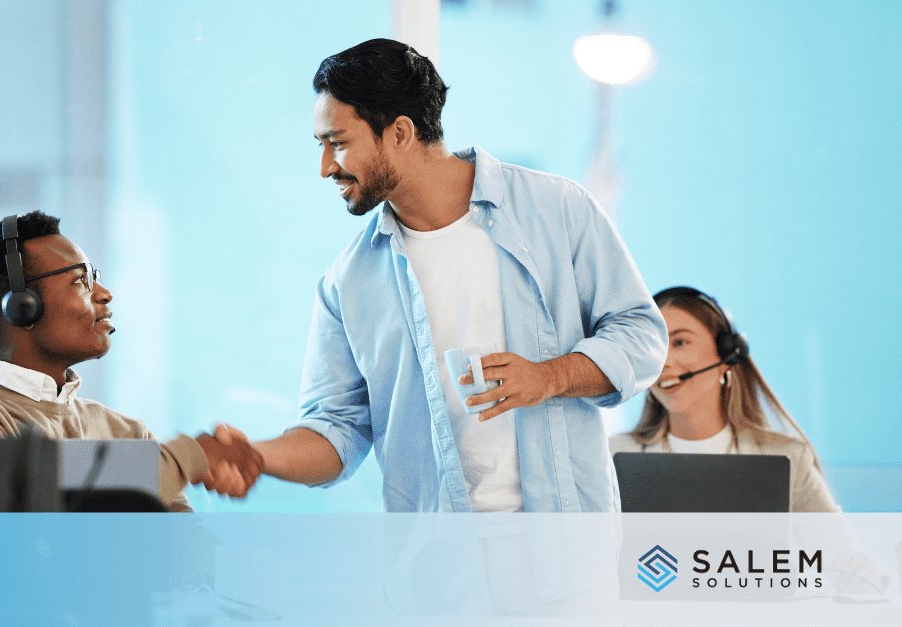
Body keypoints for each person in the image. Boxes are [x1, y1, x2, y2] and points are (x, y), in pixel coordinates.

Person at [244, 39, 667, 513]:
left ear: (400, 133)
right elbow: (335, 432)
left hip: (562, 559)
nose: (325, 168)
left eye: (337, 144)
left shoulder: (557, 210)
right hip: (436, 572)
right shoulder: (347, 283)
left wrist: (549, 377)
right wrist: (256, 457)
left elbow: (642, 334)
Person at [0, 211, 263, 512]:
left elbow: (189, 552)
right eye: (81, 280)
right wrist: (192, 454)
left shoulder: (127, 434)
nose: (104, 293)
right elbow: (37, 498)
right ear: (21, 307)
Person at [608, 286, 837, 512]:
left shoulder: (787, 457)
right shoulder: (613, 456)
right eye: (654, 347)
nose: (664, 362)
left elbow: (844, 550)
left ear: (727, 353)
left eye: (679, 343)